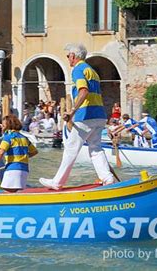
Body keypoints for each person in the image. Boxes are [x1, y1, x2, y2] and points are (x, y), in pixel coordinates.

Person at [39, 43, 116, 189]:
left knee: (70, 147)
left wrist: (72, 111)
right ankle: (107, 178)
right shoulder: (92, 71)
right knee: (95, 148)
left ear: (73, 56)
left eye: (68, 56)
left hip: (85, 115)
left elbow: (83, 91)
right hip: (99, 114)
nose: (68, 58)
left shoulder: (78, 69)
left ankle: (58, 182)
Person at [0, 115, 38, 192]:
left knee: (7, 192)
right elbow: (35, 152)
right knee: (15, 192)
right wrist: (22, 157)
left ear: (8, 126)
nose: (1, 127)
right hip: (24, 169)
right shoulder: (24, 138)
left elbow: (1, 152)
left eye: (3, 125)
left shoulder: (8, 137)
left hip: (13, 169)